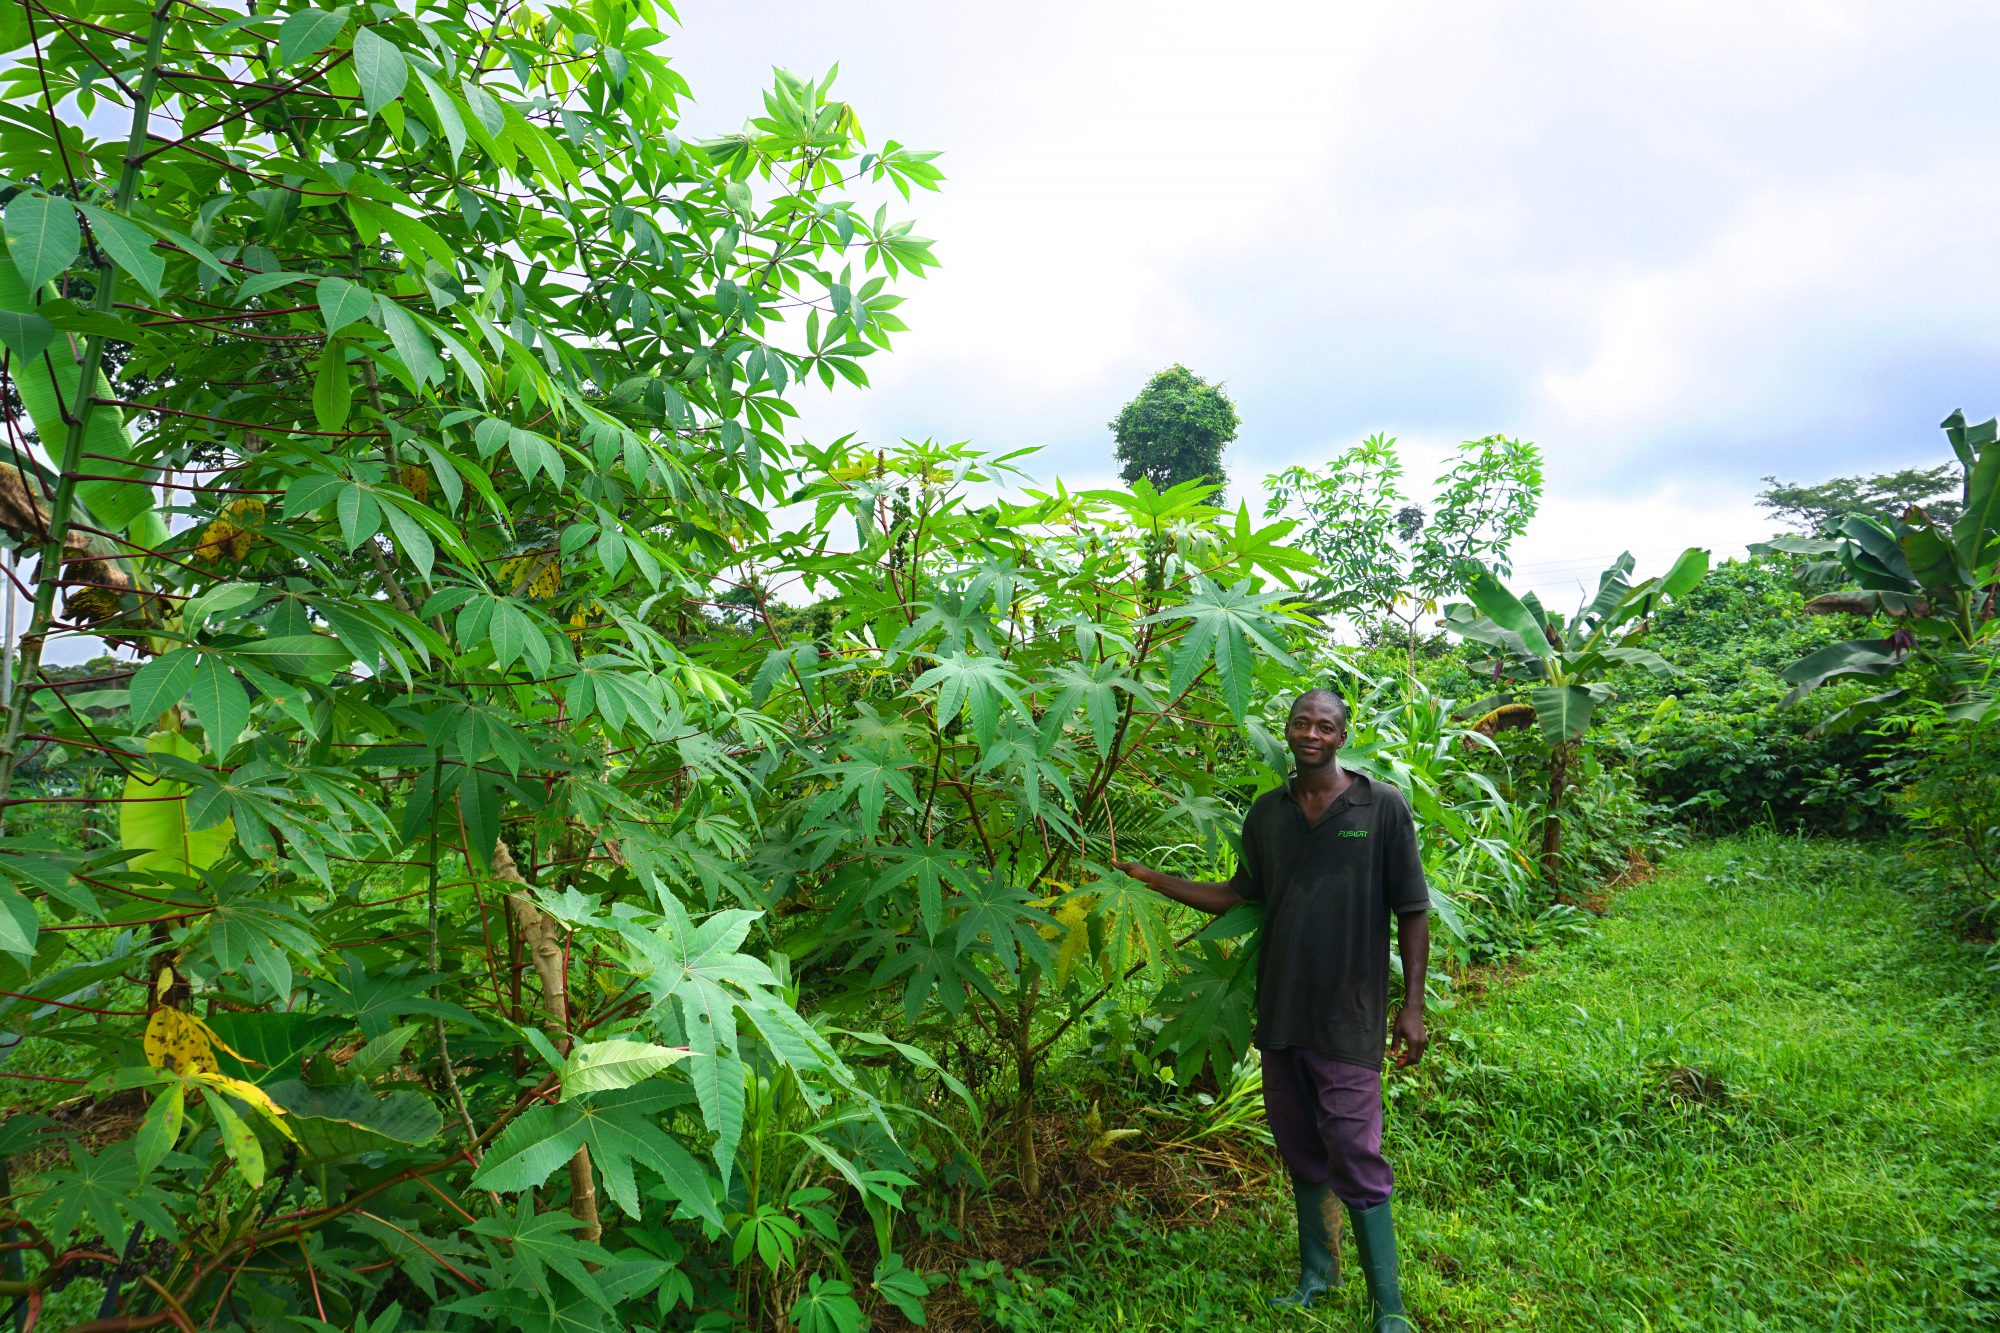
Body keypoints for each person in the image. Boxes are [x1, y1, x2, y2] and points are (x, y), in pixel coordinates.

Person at [1115, 688, 1428, 1329]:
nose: (1311, 733)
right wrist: (1154, 880)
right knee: (1300, 1144)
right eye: (1301, 723)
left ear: (1342, 736)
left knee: (1353, 1148)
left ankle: (1389, 1309)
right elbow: (1240, 894)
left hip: (1349, 1012)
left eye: (1325, 726)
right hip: (1282, 1008)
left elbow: (1412, 909)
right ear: (1287, 730)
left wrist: (1412, 1006)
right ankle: (1318, 1276)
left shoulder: (1382, 806)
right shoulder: (1267, 813)